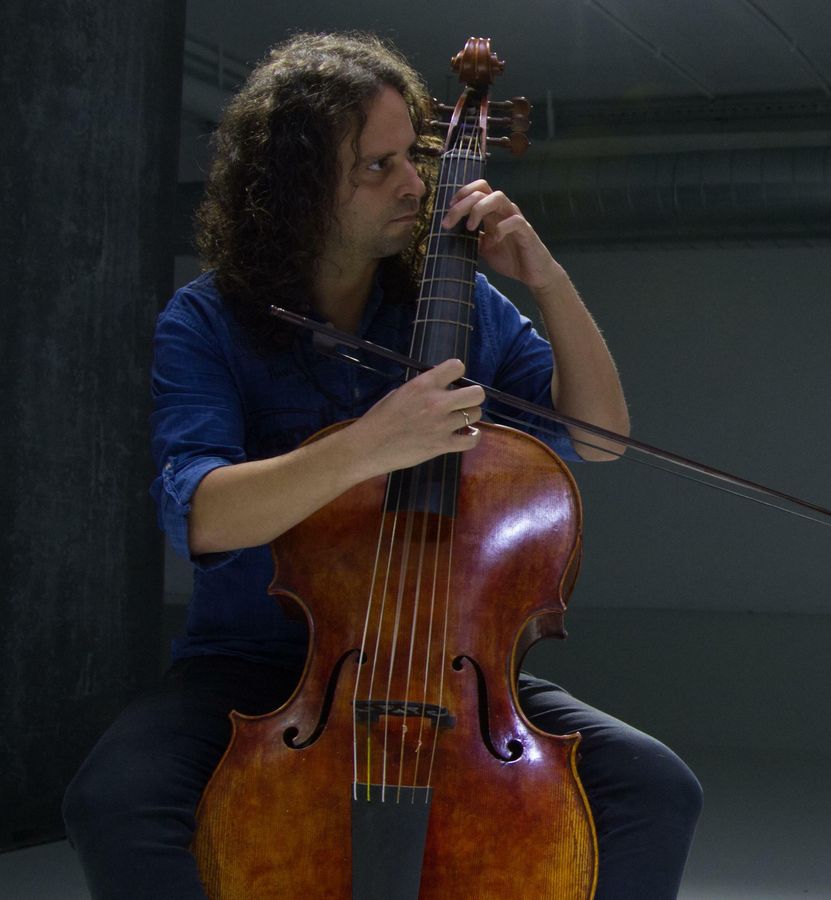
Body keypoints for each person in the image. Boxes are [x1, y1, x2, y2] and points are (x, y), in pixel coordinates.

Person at [61, 32, 700, 899]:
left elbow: (599, 438)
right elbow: (200, 513)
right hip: (258, 671)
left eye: (414, 156)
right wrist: (372, 443)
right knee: (113, 801)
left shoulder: (454, 296)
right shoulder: (206, 321)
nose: (414, 184)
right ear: (295, 191)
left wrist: (544, 277)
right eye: (376, 166)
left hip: (449, 667)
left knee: (655, 790)